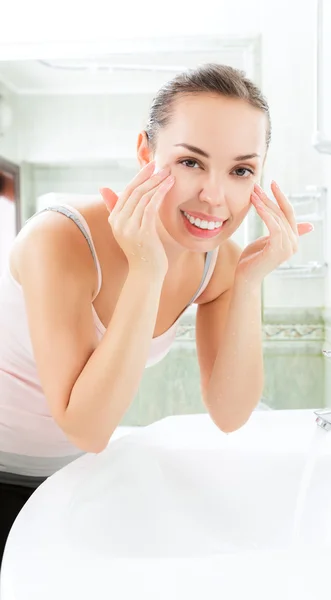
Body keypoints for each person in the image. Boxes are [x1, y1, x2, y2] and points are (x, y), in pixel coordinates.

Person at [0, 63, 314, 565]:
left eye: (240, 170)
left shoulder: (221, 261)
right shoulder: (58, 241)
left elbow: (231, 414)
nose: (215, 195)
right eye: (191, 162)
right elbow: (88, 426)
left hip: (71, 475)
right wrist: (147, 270)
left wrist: (250, 281)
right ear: (147, 153)